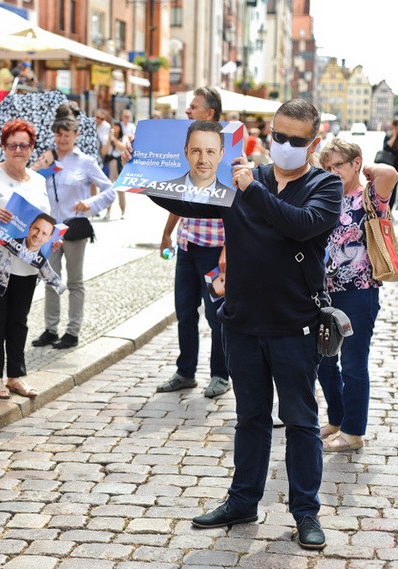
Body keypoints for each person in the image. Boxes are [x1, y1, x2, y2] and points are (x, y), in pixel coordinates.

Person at [147, 99, 343, 550]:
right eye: (280, 136)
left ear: (313, 143)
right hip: (241, 321)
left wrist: (251, 189)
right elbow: (194, 204)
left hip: (295, 325)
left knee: (299, 420)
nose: (286, 146)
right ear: (268, 133)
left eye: (297, 140)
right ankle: (242, 500)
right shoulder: (242, 174)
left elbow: (301, 225)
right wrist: (146, 183)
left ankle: (306, 512)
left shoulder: (324, 185)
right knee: (249, 418)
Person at [317, 138, 398, 452]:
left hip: (359, 293)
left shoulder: (370, 197)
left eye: (339, 164)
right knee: (324, 361)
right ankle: (337, 419)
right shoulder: (325, 197)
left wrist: (363, 168)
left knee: (353, 364)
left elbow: (389, 173)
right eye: (328, 167)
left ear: (354, 163)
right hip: (325, 293)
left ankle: (353, 432)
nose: (332, 171)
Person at [0, 120, 54, 399]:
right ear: (3, 146)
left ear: (32, 148)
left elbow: (46, 220)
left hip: (27, 263)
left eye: (24, 145)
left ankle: (16, 376)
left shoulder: (39, 180)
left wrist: (53, 238)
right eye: (12, 145)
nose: (18, 150)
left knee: (19, 320)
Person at [156, 87, 229, 399]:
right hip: (187, 246)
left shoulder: (227, 153)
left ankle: (220, 375)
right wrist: (167, 233)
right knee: (185, 311)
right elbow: (178, 197)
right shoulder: (186, 148)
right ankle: (185, 372)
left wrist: (230, 250)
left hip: (216, 250)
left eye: (193, 107)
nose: (187, 112)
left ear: (209, 114)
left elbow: (236, 207)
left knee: (217, 316)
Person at [29, 116, 116, 350]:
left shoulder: (85, 162)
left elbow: (110, 190)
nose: (62, 138)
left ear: (76, 135)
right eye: (58, 134)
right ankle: (50, 329)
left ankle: (72, 331)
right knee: (50, 279)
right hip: (49, 230)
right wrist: (38, 167)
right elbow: (30, 184)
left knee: (75, 280)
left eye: (67, 134)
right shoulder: (47, 159)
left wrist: (90, 203)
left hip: (75, 228)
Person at [103, 122, 128, 220]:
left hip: (119, 165)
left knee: (121, 189)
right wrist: (110, 139)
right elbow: (104, 151)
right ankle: (108, 211)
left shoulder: (123, 138)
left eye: (116, 126)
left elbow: (123, 147)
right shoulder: (108, 137)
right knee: (108, 189)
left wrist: (114, 139)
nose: (114, 128)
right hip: (110, 164)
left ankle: (123, 211)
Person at [382, 119, 398, 208]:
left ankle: (393, 209)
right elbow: (385, 148)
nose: (397, 127)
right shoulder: (388, 137)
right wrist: (394, 136)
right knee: (389, 191)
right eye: (395, 125)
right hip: (390, 167)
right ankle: (387, 210)